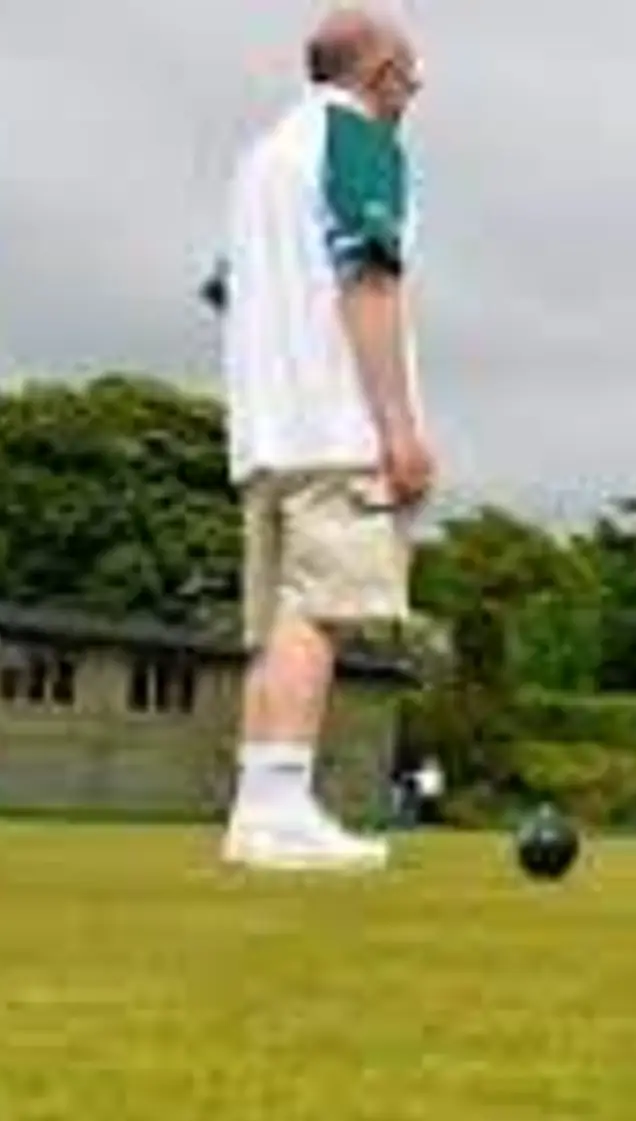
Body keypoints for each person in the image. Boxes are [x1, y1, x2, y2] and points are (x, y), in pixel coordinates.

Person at [204, 7, 435, 870]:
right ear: (377, 73)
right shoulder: (360, 143)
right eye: (408, 69)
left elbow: (228, 290)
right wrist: (399, 428)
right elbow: (368, 280)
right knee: (320, 614)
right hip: (334, 422)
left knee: (282, 622)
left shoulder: (261, 159)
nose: (417, 85)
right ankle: (279, 811)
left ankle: (257, 809)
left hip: (264, 428)